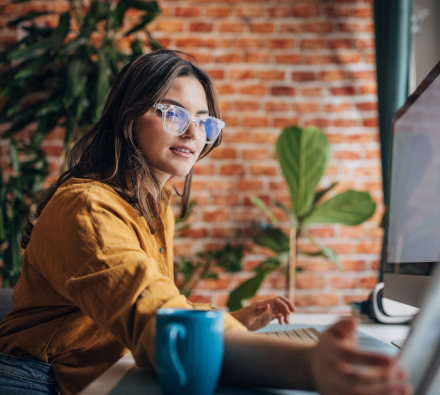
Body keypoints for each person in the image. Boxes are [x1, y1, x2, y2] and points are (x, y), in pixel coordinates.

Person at [0, 50, 411, 395]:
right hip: (35, 380)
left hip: (94, 372)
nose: (195, 132)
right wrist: (309, 369)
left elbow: (151, 297)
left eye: (205, 121)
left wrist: (227, 319)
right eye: (175, 114)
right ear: (129, 118)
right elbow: (159, 326)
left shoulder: (154, 205)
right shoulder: (88, 207)